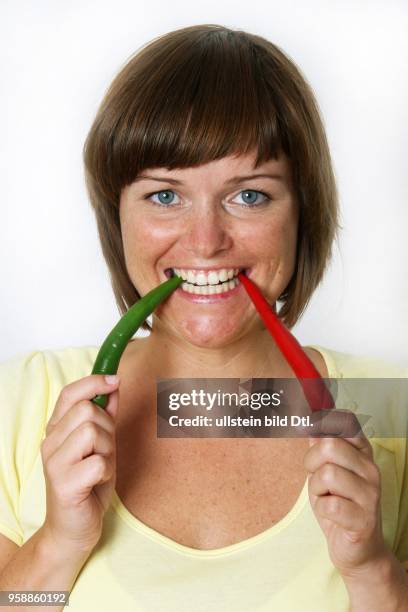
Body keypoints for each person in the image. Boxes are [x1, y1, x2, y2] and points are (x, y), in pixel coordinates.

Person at [0, 24, 407, 612]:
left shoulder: (393, 409)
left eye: (250, 195)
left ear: (304, 212)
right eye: (165, 195)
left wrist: (372, 571)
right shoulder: (19, 403)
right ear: (118, 218)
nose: (207, 241)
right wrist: (61, 541)